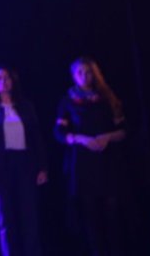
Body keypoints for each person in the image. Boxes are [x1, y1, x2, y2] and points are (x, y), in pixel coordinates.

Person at [54, 57, 127, 256]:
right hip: (84, 165)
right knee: (91, 217)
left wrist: (108, 137)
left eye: (88, 72)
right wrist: (80, 139)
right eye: (80, 72)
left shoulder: (107, 97)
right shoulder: (68, 100)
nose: (84, 76)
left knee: (112, 214)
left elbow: (124, 130)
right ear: (73, 76)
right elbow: (59, 132)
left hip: (107, 162)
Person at [0, 67, 47, 256]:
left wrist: (42, 167)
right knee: (6, 218)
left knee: (29, 217)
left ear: (13, 80)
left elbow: (36, 138)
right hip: (1, 167)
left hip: (25, 164)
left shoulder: (26, 106)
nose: (4, 81)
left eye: (7, 77)